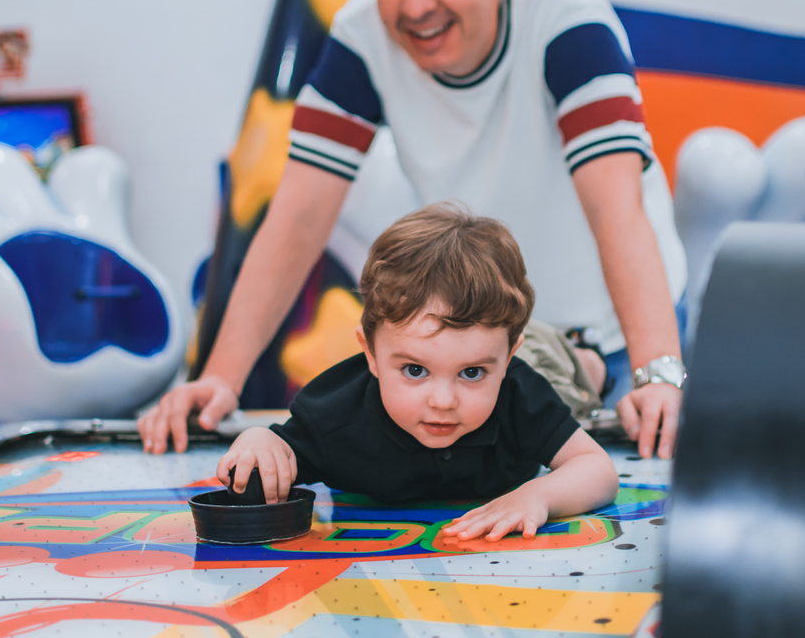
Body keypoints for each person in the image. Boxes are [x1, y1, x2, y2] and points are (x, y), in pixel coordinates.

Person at [138, 0, 688, 460]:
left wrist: (656, 371)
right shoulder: (361, 39)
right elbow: (297, 217)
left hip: (616, 335)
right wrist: (220, 378)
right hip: (468, 350)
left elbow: (615, 205)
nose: (416, 5)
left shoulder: (565, 18)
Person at [217, 205, 619, 541]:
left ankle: (585, 354)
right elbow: (278, 448)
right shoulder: (334, 416)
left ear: (508, 358)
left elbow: (597, 469)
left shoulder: (519, 390)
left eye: (472, 373)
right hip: (503, 350)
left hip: (540, 357)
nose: (442, 400)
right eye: (414, 370)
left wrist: (538, 496)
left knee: (571, 380)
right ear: (370, 354)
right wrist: (258, 439)